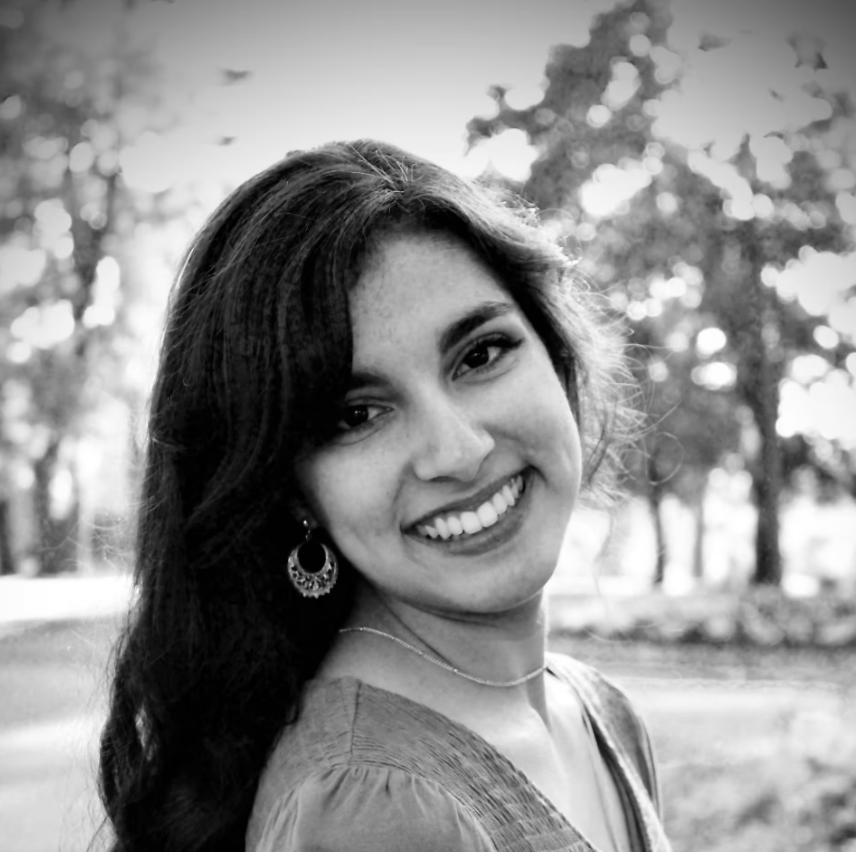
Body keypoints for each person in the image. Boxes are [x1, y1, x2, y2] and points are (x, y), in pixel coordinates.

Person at [97, 139, 671, 852]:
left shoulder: (602, 715)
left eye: (481, 354)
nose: (458, 451)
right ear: (287, 489)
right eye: (356, 415)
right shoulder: (371, 808)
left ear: (555, 355)